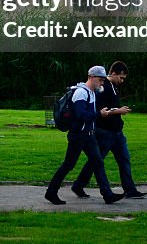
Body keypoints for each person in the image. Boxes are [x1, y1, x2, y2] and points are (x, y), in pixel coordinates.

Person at [44, 65, 125, 205]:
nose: (102, 83)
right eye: (100, 80)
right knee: (69, 165)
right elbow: (80, 114)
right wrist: (99, 114)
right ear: (91, 77)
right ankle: (51, 192)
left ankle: (107, 194)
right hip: (79, 135)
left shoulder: (91, 92)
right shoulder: (81, 93)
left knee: (97, 162)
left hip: (88, 135)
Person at [70, 61, 147, 199]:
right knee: (96, 161)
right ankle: (79, 185)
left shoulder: (113, 87)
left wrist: (118, 110)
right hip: (105, 132)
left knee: (123, 159)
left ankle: (129, 189)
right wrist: (118, 111)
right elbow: (99, 111)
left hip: (116, 132)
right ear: (113, 74)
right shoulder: (102, 87)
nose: (122, 81)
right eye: (121, 77)